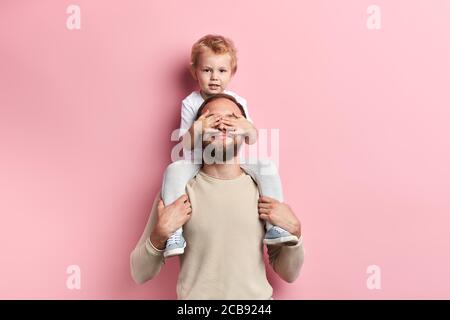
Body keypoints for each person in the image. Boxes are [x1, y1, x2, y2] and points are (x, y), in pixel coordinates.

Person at [130, 94, 305, 299]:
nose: (223, 126)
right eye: (212, 119)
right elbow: (139, 273)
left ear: (245, 132)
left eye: (232, 119)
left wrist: (296, 231)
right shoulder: (176, 193)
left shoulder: (264, 191)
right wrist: (160, 233)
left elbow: (289, 274)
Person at [161, 34, 298, 258]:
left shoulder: (237, 101)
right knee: (173, 170)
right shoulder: (191, 103)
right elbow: (185, 145)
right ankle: (174, 234)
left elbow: (252, 138)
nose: (214, 77)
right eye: (207, 70)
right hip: (198, 162)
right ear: (195, 71)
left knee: (266, 166)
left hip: (232, 160)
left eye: (222, 71)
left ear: (232, 73)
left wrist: (244, 125)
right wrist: (198, 127)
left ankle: (276, 227)